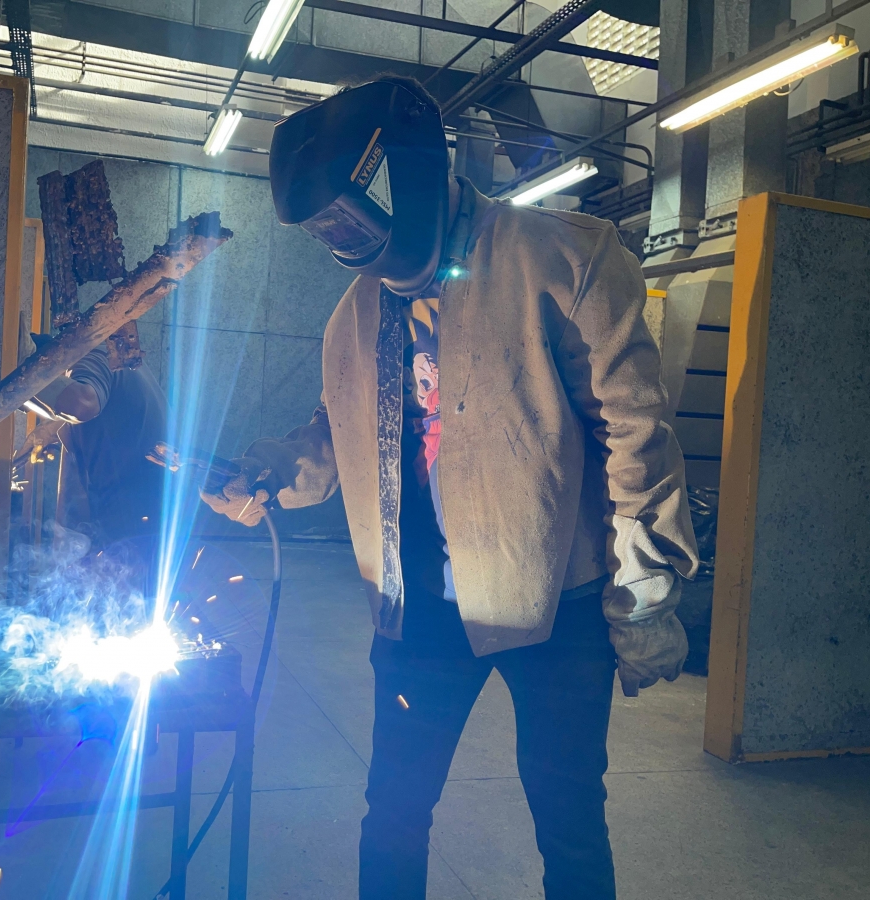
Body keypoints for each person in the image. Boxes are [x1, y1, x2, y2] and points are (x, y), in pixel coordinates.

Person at [201, 77, 699, 900]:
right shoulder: (355, 314)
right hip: (418, 605)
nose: (348, 245)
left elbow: (634, 432)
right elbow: (336, 432)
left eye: (353, 221)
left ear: (409, 178)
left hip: (556, 602)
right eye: (330, 232)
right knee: (393, 811)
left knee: (570, 817)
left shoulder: (565, 258)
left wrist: (642, 593)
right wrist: (267, 472)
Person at [15, 320, 167, 551]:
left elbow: (81, 404)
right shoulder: (119, 365)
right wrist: (49, 433)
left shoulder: (91, 356)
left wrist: (21, 382)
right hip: (150, 512)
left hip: (136, 516)